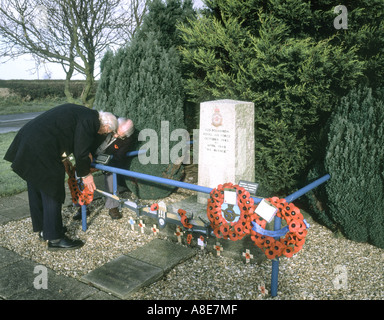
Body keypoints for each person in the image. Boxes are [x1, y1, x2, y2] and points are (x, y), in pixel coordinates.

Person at [4, 103, 118, 251]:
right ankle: (55, 238)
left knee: (36, 185)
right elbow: (81, 150)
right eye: (106, 131)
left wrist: (64, 159)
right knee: (53, 188)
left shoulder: (84, 113)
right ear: (106, 125)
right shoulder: (91, 120)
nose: (103, 133)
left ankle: (45, 229)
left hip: (29, 139)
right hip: (41, 146)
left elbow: (62, 133)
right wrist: (86, 174)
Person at [73, 117, 135, 220]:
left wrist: (104, 167)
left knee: (111, 176)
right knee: (79, 175)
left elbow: (119, 158)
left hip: (107, 160)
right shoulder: (103, 127)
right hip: (89, 154)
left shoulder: (127, 140)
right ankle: (82, 207)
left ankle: (112, 206)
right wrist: (87, 162)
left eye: (120, 136)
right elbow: (86, 142)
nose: (116, 135)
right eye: (115, 132)